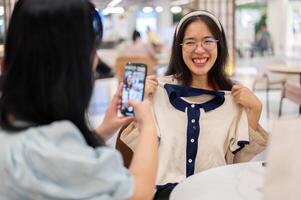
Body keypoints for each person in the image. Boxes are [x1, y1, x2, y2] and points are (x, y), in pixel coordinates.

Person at [0, 0, 158, 199]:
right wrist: (148, 125)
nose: (95, 61)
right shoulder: (45, 148)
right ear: (71, 64)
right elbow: (138, 193)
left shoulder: (18, 131)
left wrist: (103, 131)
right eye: (92, 49)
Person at [120, 10, 269, 199]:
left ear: (219, 46)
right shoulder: (157, 94)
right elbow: (140, 150)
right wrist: (140, 104)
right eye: (190, 42)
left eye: (208, 41)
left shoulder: (234, 98)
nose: (199, 50)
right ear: (179, 48)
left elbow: (238, 162)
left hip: (214, 193)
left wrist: (255, 109)